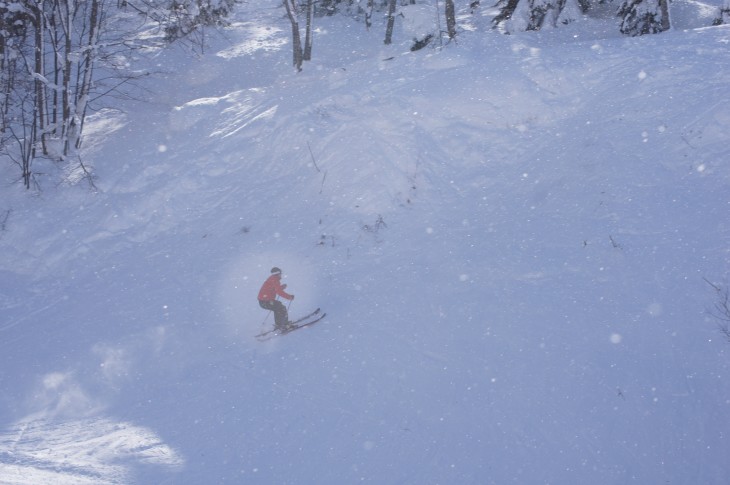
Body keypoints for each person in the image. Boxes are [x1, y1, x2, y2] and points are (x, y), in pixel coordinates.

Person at [258, 267, 295, 331]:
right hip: (266, 301)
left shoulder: (272, 279)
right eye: (280, 273)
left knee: (278, 307)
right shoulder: (275, 280)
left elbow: (273, 289)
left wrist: (281, 287)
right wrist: (289, 297)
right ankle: (285, 325)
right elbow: (279, 292)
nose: (281, 274)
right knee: (281, 308)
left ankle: (279, 324)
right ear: (278, 273)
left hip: (263, 301)